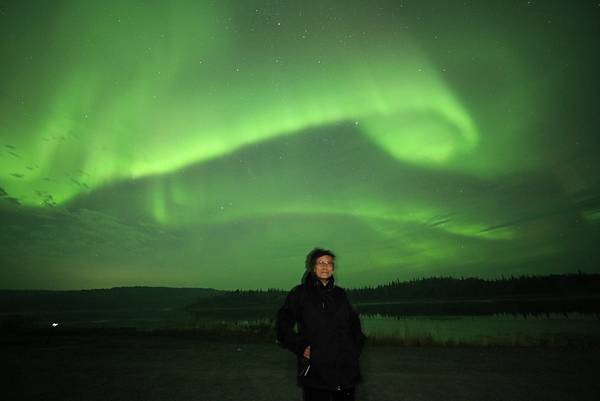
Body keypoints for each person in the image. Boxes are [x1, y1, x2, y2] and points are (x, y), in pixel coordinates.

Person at [276, 247, 365, 401]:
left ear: (333, 268)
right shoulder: (300, 294)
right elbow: (283, 326)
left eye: (329, 263)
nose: (325, 266)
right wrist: (300, 346)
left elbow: (354, 324)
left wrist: (355, 347)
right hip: (317, 371)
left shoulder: (340, 294)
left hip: (346, 370)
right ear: (312, 267)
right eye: (320, 262)